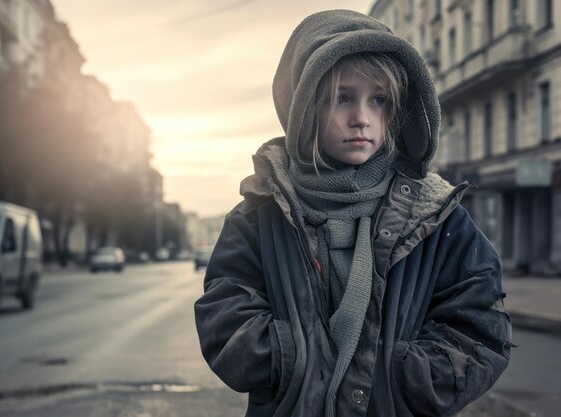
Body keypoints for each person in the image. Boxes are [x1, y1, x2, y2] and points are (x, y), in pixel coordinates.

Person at [194, 9, 513, 417]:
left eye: (377, 100)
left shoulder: (436, 215)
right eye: (341, 97)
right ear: (304, 107)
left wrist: (398, 380)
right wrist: (292, 362)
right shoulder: (259, 214)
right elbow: (224, 316)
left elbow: (480, 327)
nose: (361, 118)